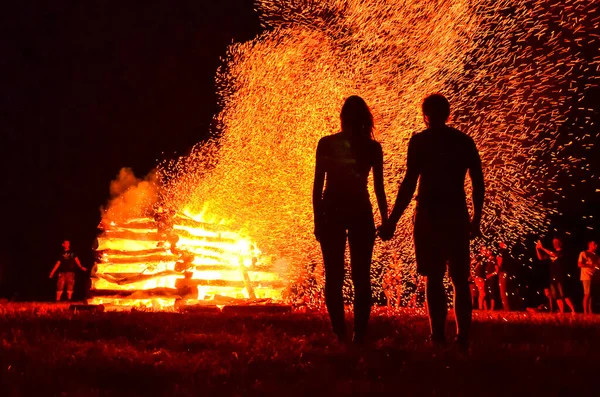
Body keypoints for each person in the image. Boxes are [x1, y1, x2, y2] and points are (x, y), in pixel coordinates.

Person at [379, 93, 485, 350]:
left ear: (424, 115)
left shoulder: (420, 141)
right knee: (460, 279)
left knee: (433, 278)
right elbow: (478, 183)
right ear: (448, 114)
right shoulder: (463, 141)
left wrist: (392, 220)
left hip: (428, 215)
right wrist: (476, 219)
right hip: (456, 214)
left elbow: (409, 183)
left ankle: (437, 335)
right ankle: (462, 337)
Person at [313, 95, 387, 343]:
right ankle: (359, 333)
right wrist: (385, 219)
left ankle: (339, 332)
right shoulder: (372, 148)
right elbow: (378, 188)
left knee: (334, 275)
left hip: (331, 208)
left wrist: (317, 220)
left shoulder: (326, 143)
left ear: (342, 117)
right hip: (360, 209)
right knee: (361, 275)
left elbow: (317, 186)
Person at [536, 237, 576, 313]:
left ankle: (573, 310)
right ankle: (561, 311)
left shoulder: (562, 252)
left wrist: (542, 248)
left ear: (560, 243)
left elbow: (554, 254)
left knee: (564, 294)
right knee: (556, 296)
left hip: (561, 276)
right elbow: (540, 258)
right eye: (553, 242)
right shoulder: (550, 252)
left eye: (556, 242)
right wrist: (537, 249)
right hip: (552, 276)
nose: (554, 243)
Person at [578, 240, 599, 315]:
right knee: (587, 294)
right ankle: (585, 311)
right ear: (589, 245)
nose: (596, 245)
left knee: (591, 294)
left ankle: (590, 311)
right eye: (594, 244)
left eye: (596, 244)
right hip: (586, 276)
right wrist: (591, 265)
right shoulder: (584, 253)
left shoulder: (596, 256)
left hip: (594, 277)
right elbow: (580, 264)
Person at [497, 241, 515, 311]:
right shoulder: (507, 252)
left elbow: (500, 261)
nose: (499, 244)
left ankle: (506, 308)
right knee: (505, 290)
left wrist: (497, 268)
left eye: (501, 243)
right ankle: (506, 307)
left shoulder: (502, 251)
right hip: (506, 272)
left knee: (503, 291)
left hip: (502, 272)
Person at [535, 242, 553, 312]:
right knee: (547, 293)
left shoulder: (550, 255)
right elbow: (540, 258)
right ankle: (549, 308)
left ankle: (551, 309)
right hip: (544, 275)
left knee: (550, 294)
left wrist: (541, 247)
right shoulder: (545, 258)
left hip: (550, 275)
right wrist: (537, 249)